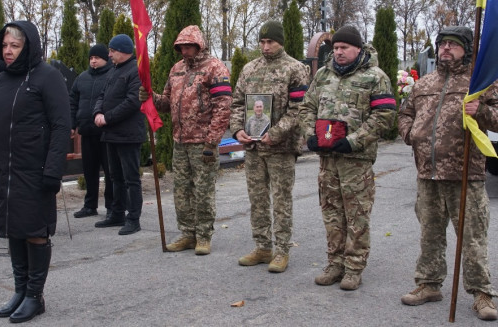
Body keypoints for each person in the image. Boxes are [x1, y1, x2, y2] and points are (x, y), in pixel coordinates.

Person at [398, 26, 498, 320]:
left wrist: (481, 109)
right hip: (427, 174)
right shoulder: (424, 83)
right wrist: (410, 134)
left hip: (466, 174)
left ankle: (482, 293)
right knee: (429, 234)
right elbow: (405, 113)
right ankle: (428, 284)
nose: (446, 49)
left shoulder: (481, 84)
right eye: (442, 44)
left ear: (466, 49)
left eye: (453, 45)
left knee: (472, 238)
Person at [0, 21, 70, 323]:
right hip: (5, 170)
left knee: (34, 231)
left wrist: (53, 171)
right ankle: (20, 289)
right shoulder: (0, 79)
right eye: (4, 46)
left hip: (36, 170)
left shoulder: (48, 77)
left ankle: (34, 295)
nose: (7, 51)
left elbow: (60, 127)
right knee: (13, 229)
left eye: (14, 46)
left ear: (28, 46)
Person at [299, 25, 396, 290]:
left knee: (357, 215)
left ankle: (354, 267)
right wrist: (310, 134)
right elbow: (307, 106)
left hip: (357, 160)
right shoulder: (323, 75)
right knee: (331, 213)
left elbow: (385, 116)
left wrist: (353, 141)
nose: (339, 52)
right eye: (336, 48)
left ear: (358, 49)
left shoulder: (375, 77)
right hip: (328, 159)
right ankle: (335, 263)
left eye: (344, 48)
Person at [139, 25, 232, 255]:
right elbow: (167, 103)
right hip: (180, 141)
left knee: (203, 191)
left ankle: (203, 236)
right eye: (181, 47)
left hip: (203, 142)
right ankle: (187, 233)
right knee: (181, 190)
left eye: (188, 46)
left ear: (199, 45)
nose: (184, 51)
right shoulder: (176, 69)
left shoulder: (215, 68)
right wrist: (150, 97)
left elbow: (223, 108)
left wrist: (212, 142)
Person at [230, 20, 309, 273]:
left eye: (270, 42)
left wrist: (275, 133)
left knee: (281, 200)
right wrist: (238, 130)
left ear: (280, 42)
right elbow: (237, 105)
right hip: (254, 148)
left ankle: (282, 250)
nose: (265, 47)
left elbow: (299, 109)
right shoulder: (249, 68)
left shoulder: (295, 69)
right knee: (257, 199)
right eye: (262, 42)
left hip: (281, 148)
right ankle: (263, 247)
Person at [93, 34, 146, 236]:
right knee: (114, 177)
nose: (109, 54)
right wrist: (97, 113)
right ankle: (117, 213)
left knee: (131, 178)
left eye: (112, 51)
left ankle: (133, 218)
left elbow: (133, 101)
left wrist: (107, 117)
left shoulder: (136, 71)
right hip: (111, 134)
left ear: (123, 51)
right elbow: (102, 95)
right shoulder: (114, 71)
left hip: (129, 135)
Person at [70, 44, 114, 220]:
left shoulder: (112, 76)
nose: (93, 61)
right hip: (87, 131)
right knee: (89, 171)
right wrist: (72, 124)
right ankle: (90, 205)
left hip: (106, 132)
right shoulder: (82, 78)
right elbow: (72, 102)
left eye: (97, 57)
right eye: (91, 58)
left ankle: (112, 206)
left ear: (106, 58)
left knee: (110, 172)